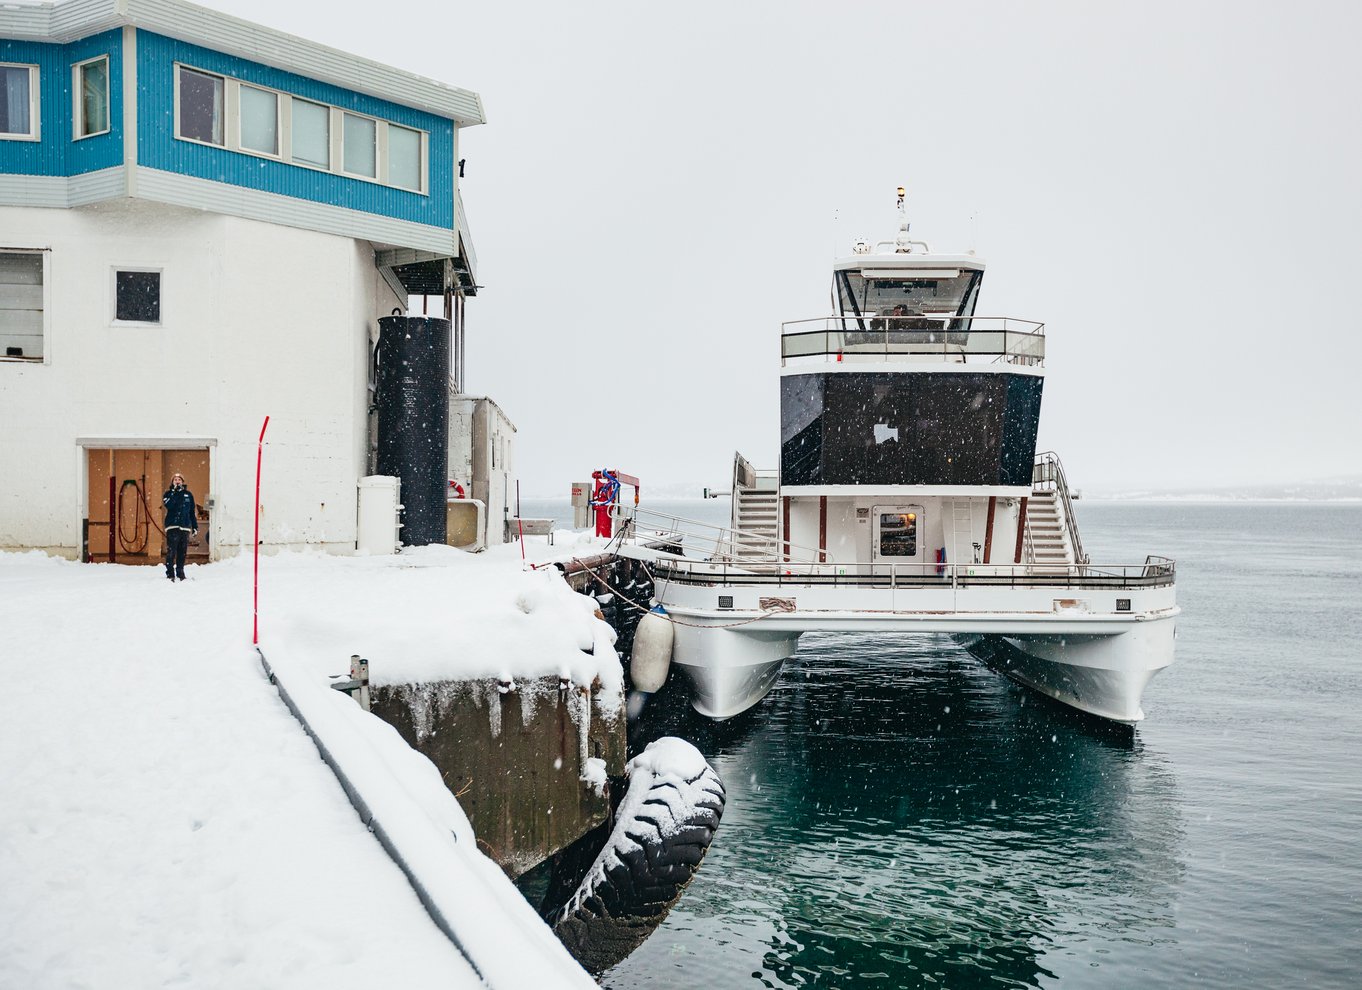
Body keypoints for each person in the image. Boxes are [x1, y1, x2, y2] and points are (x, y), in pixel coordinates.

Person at [162, 473, 198, 581]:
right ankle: (170, 573)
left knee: (182, 552)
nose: (177, 481)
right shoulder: (168, 494)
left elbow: (191, 512)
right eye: (175, 479)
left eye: (179, 479)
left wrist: (194, 526)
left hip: (185, 527)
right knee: (171, 551)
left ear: (182, 481)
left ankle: (180, 572)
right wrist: (174, 492)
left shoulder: (188, 495)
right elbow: (169, 505)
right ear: (172, 482)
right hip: (172, 526)